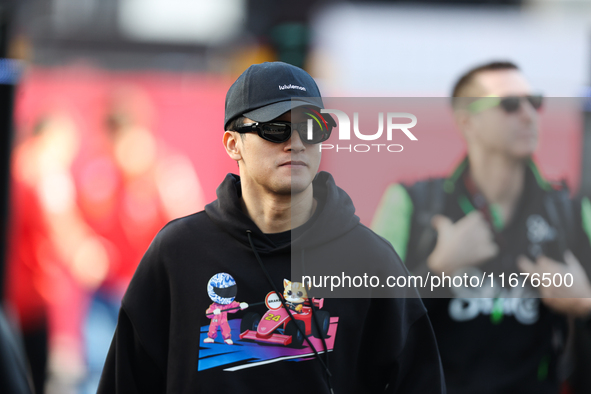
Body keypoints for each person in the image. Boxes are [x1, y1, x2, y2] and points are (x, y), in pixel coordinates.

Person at [97, 61, 445, 393]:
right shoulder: (177, 254)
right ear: (233, 144)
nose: (295, 143)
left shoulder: (370, 261)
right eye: (275, 128)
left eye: (311, 128)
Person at [372, 61, 591, 393]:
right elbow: (366, 322)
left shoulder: (573, 212)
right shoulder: (411, 203)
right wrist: (436, 271)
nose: (529, 114)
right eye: (510, 104)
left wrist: (585, 304)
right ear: (467, 121)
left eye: (535, 101)